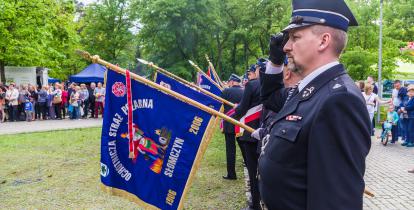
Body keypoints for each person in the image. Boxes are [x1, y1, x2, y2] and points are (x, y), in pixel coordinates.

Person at [257, 1, 371, 209]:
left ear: (323, 41)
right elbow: (271, 98)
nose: (286, 47)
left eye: (295, 37)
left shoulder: (339, 100)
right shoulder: (310, 89)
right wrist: (274, 62)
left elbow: (335, 202)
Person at [234, 61, 263, 210]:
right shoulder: (277, 83)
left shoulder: (252, 85)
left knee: (253, 172)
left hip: (250, 133)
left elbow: (242, 109)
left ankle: (255, 205)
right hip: (267, 131)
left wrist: (236, 109)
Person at [221, 74, 244, 180]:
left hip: (229, 123)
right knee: (244, 148)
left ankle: (232, 174)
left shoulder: (226, 91)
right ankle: (249, 167)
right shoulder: (245, 91)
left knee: (230, 149)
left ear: (231, 82)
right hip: (242, 123)